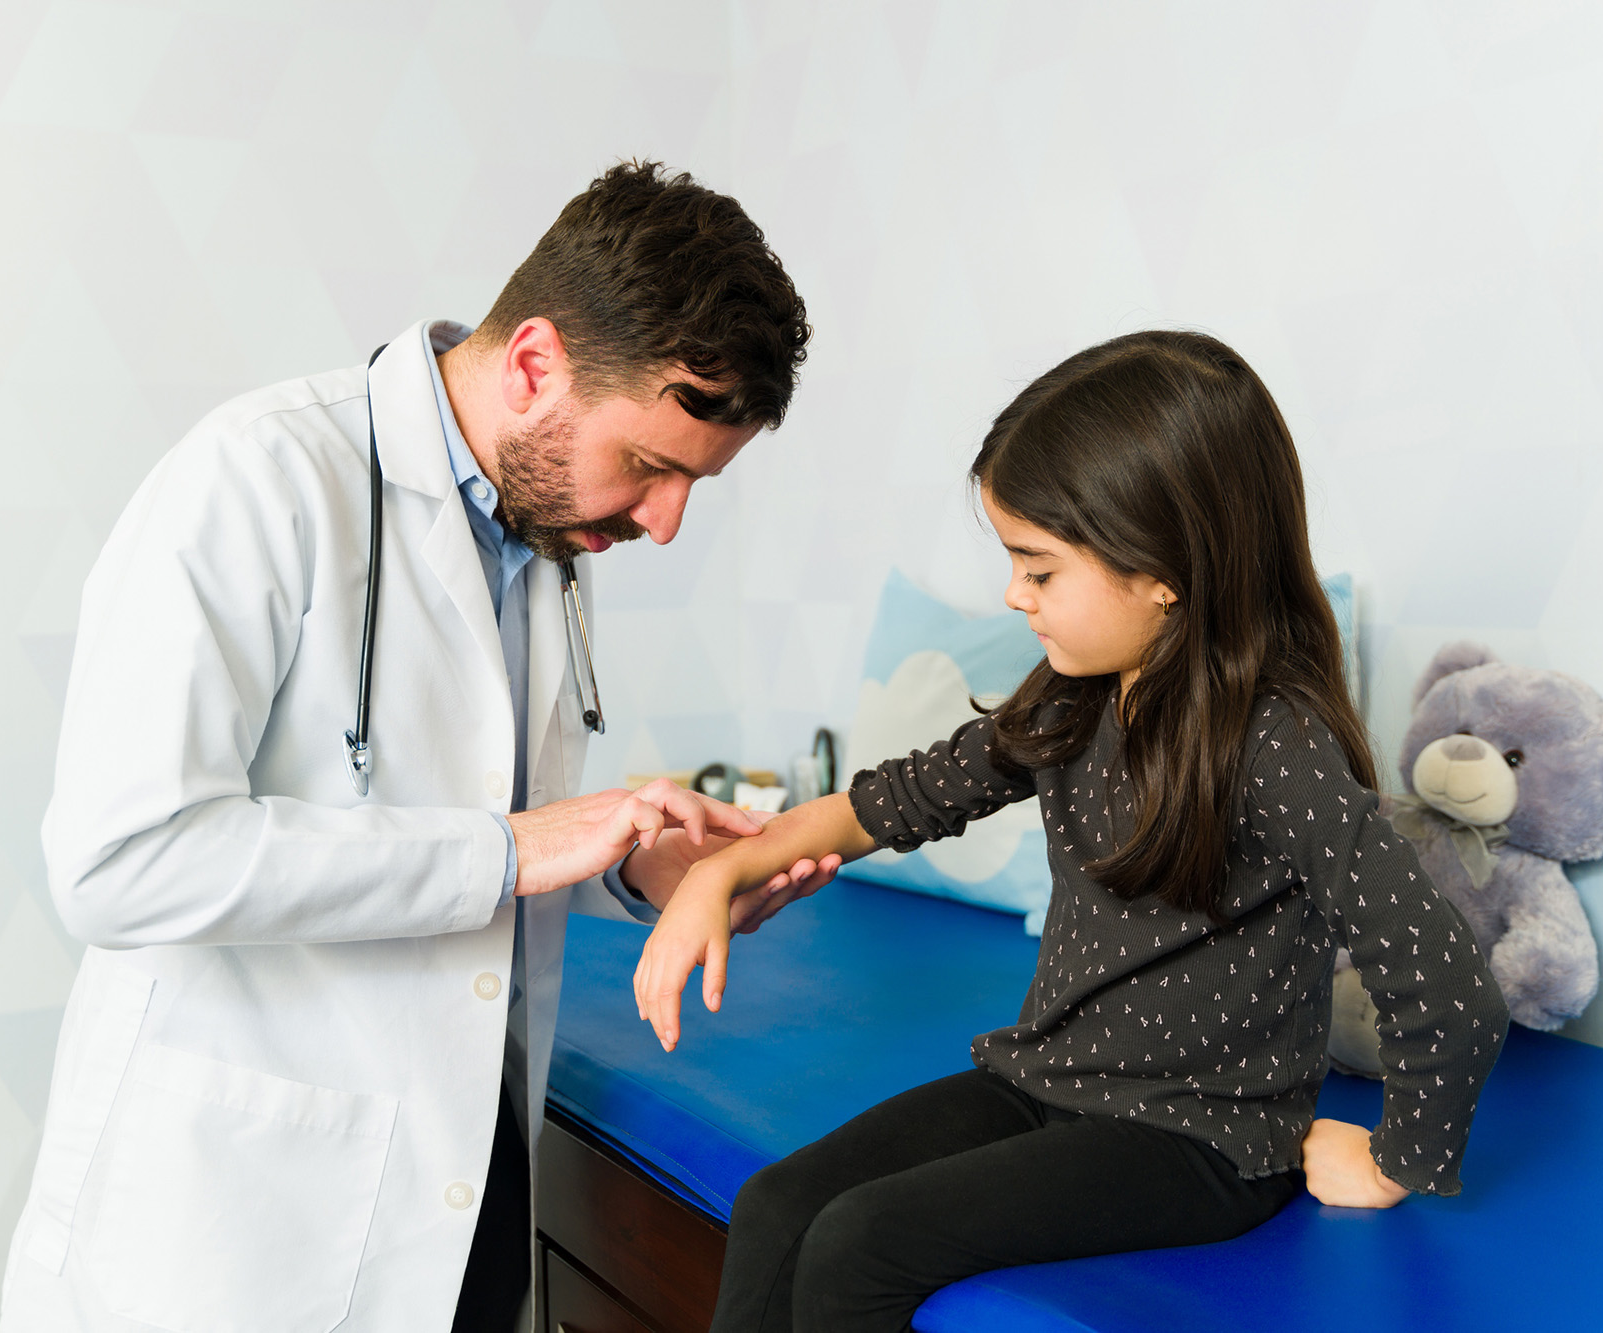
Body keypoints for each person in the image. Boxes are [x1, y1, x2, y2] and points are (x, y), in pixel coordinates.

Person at [0, 161, 841, 1333]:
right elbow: (121, 858)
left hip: (464, 1175)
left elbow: (459, 809)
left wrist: (629, 865)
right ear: (535, 363)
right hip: (239, 1221)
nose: (662, 522)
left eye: (689, 484)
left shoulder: (543, 529)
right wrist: (513, 848)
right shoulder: (261, 478)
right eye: (650, 467)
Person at [634, 330, 1513, 1332]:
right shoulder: (1076, 695)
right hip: (1043, 1079)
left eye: (1038, 569)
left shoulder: (1275, 743)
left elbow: (1442, 979)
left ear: (1162, 571)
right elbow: (905, 797)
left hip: (1201, 1136)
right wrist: (731, 866)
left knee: (858, 1241)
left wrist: (1397, 1157)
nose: (1014, 594)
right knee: (779, 1202)